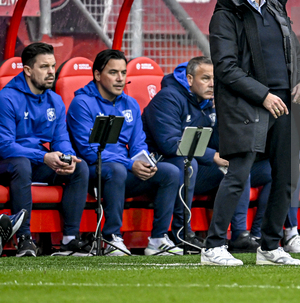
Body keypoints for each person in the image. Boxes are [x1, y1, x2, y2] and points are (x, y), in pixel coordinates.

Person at [203, 0, 300, 266]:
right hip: (248, 104)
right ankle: (213, 247)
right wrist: (263, 95)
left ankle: (269, 246)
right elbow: (225, 68)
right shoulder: (225, 17)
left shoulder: (275, 7)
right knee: (238, 174)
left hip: (285, 103)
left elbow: (297, 53)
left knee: (288, 174)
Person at [142, 57, 271, 254]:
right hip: (163, 166)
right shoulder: (168, 98)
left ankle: (241, 236)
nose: (212, 84)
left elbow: (217, 142)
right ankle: (183, 233)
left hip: (195, 166)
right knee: (188, 163)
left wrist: (224, 114)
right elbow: (169, 145)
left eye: (215, 79)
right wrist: (212, 156)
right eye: (205, 78)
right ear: (190, 79)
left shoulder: (208, 103)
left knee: (239, 167)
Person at [67, 49, 181, 256]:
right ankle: (111, 238)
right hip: (94, 171)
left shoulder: (131, 104)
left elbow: (138, 143)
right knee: (117, 169)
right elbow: (90, 151)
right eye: (113, 73)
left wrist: (144, 162)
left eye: (123, 73)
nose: (120, 79)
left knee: (170, 172)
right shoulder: (81, 103)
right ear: (97, 75)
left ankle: (158, 240)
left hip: (124, 170)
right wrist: (130, 164)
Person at [0, 43, 90, 257]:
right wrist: (44, 156)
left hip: (37, 160)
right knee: (21, 164)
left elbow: (60, 139)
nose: (51, 72)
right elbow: (5, 146)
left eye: (53, 66)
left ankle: (70, 239)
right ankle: (24, 239)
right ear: (28, 70)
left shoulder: (55, 100)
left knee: (79, 168)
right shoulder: (7, 98)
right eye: (44, 67)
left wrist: (66, 157)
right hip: (8, 161)